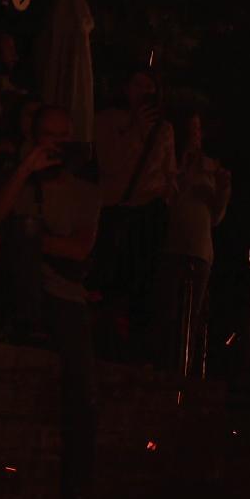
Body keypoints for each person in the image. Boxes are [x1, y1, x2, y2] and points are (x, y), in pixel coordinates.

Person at [0, 106, 101, 499]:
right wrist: (24, 170)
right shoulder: (19, 182)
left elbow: (79, 248)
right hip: (22, 295)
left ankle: (77, 496)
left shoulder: (84, 190)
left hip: (66, 298)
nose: (55, 144)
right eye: (46, 136)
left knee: (83, 394)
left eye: (62, 136)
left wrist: (26, 241)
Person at [92, 69, 176, 360]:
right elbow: (109, 164)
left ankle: (136, 348)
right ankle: (103, 339)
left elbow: (168, 170)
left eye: (150, 85)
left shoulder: (164, 129)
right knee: (109, 279)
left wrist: (167, 193)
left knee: (144, 283)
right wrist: (134, 130)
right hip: (115, 208)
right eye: (138, 83)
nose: (145, 90)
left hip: (150, 211)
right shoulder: (107, 120)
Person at [153, 110, 231, 373]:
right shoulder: (170, 163)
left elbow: (216, 217)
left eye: (198, 130)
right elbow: (166, 200)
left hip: (199, 249)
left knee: (192, 314)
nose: (194, 136)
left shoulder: (211, 168)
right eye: (190, 130)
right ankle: (163, 364)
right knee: (167, 311)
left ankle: (186, 368)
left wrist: (222, 190)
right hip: (172, 245)